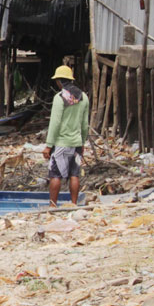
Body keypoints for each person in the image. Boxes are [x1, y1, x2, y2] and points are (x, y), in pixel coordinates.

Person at [43, 65, 90, 207]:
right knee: (74, 174)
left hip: (61, 143)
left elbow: (55, 123)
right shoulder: (84, 97)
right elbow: (84, 123)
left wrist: (48, 145)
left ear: (59, 81)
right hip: (76, 143)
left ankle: (53, 205)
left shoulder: (59, 98)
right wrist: (82, 141)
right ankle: (74, 204)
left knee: (55, 175)